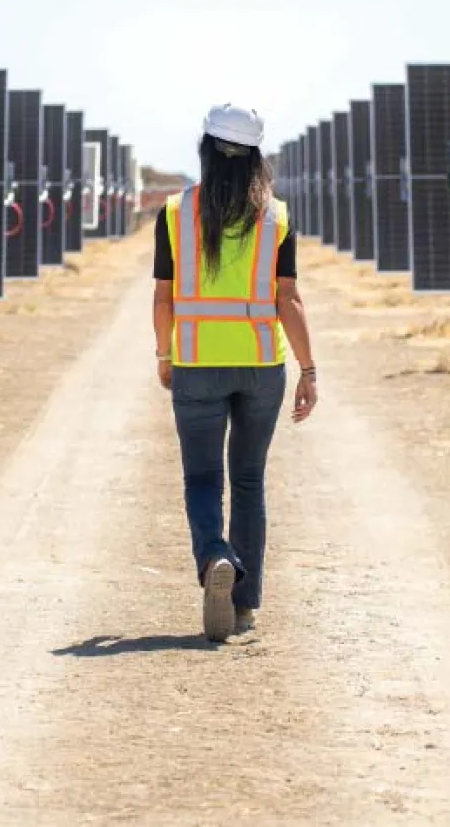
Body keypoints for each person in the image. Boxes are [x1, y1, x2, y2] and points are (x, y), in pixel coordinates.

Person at [153, 104, 318, 643]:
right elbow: (288, 298)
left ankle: (216, 557)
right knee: (248, 481)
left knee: (202, 480)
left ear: (206, 149)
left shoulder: (175, 213)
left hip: (196, 364)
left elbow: (163, 297)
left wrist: (163, 354)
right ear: (256, 157)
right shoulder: (277, 216)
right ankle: (244, 607)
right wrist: (309, 369)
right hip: (261, 368)